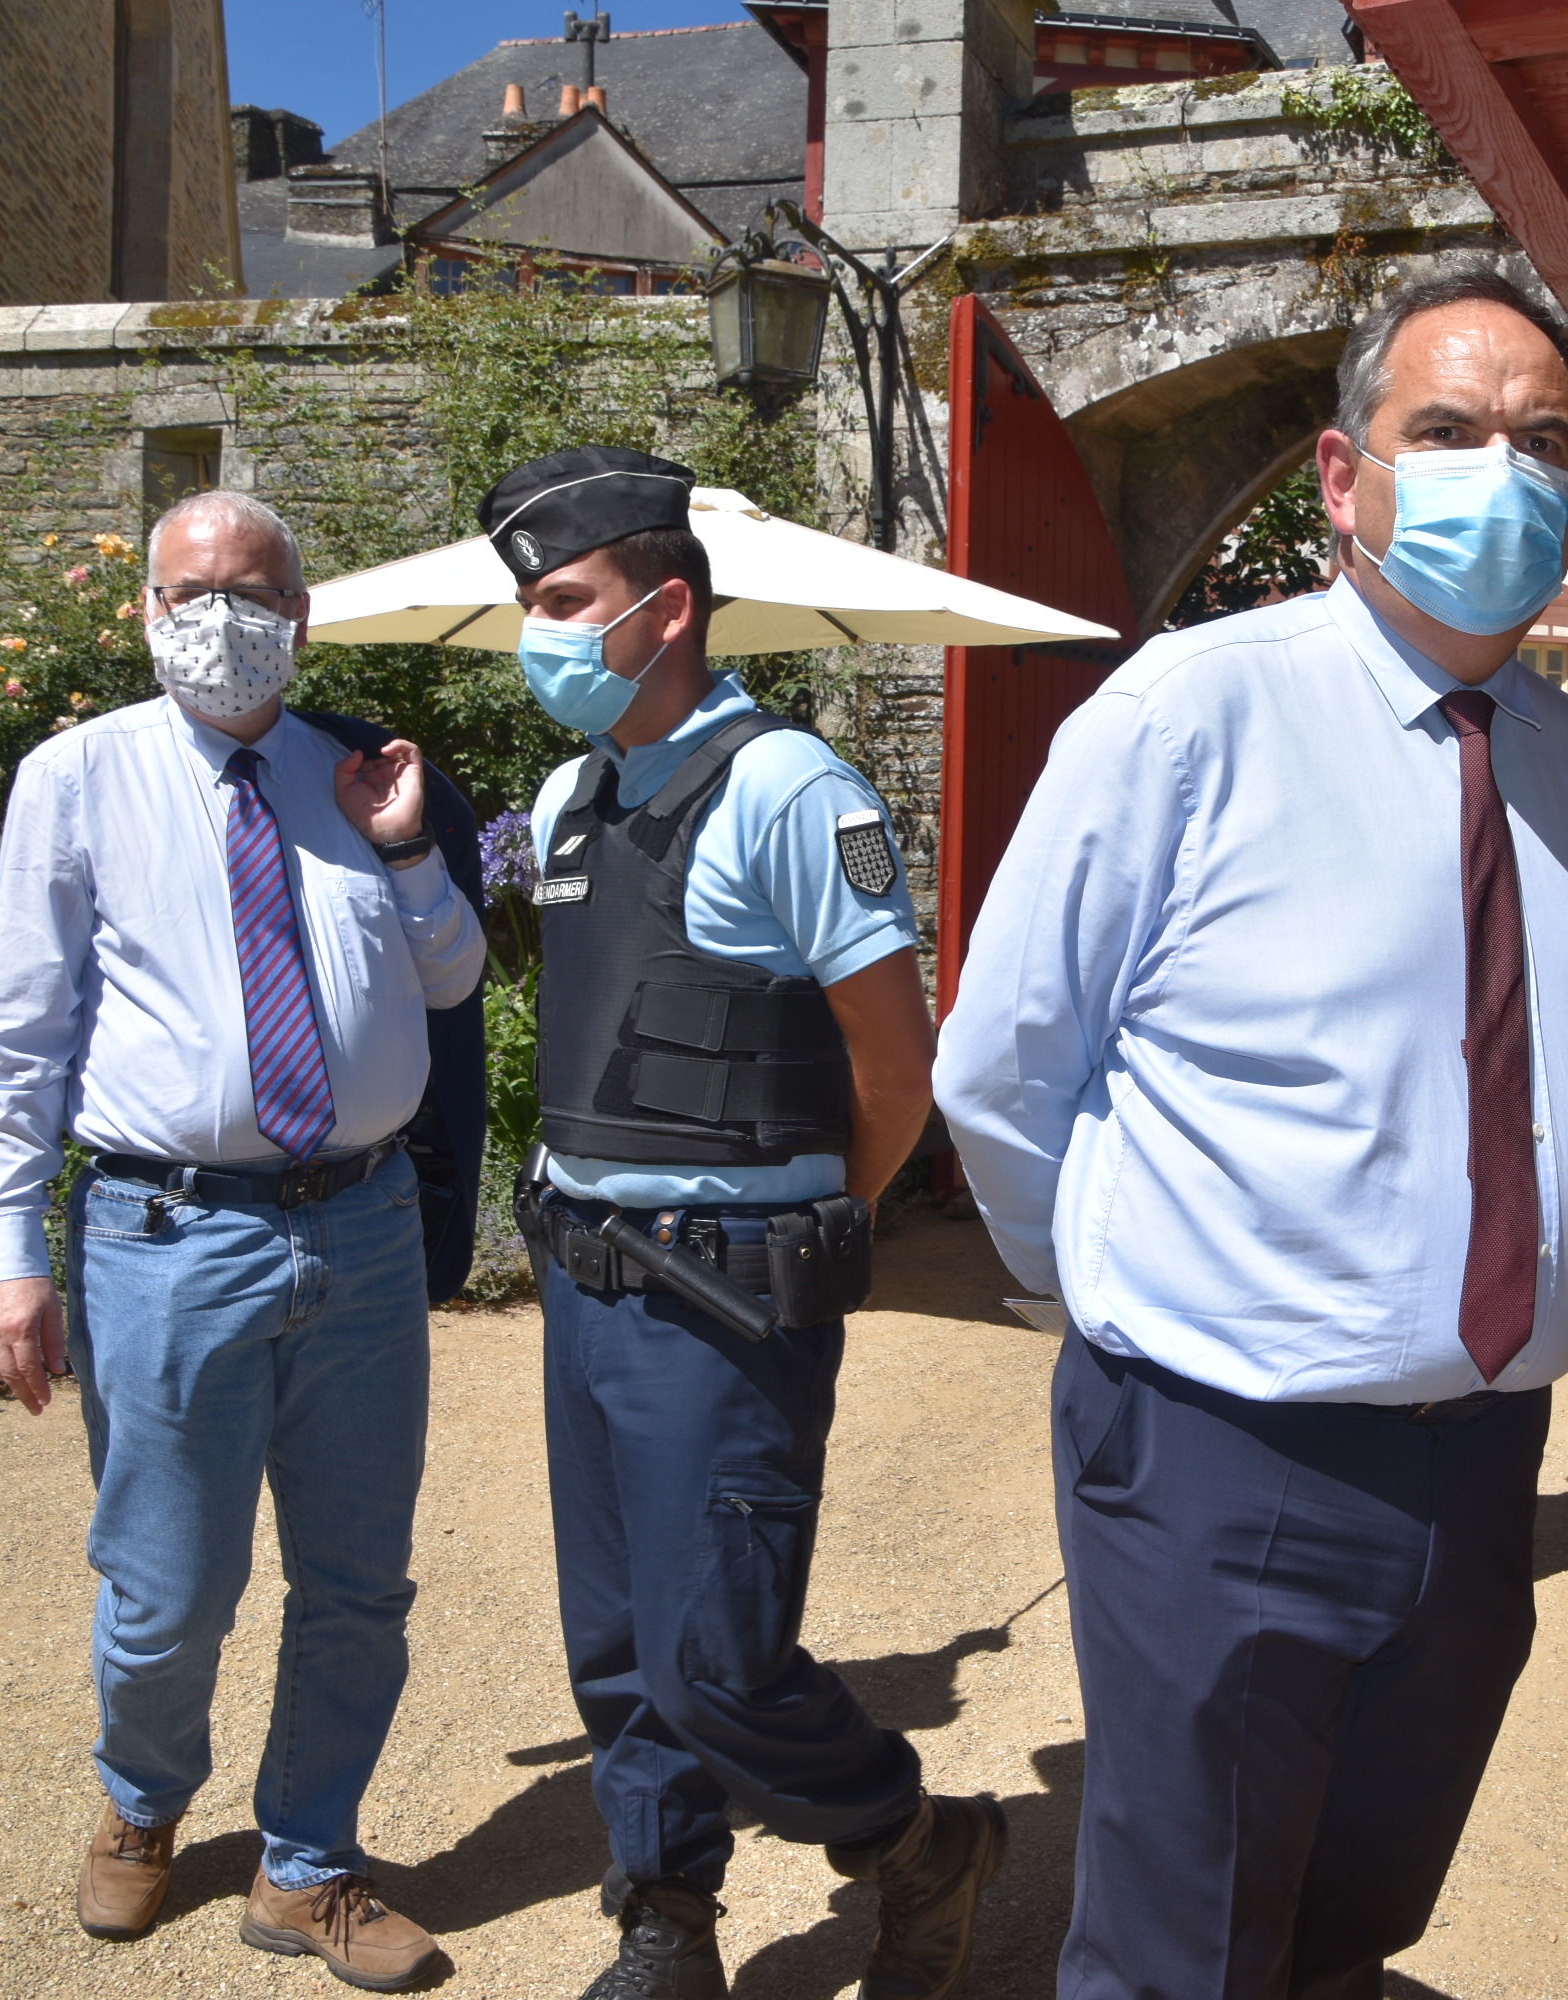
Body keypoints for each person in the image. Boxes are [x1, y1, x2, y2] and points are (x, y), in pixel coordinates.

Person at [934, 270, 1568, 2000]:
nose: (1501, 473)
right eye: (1446, 431)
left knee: (1354, 1919)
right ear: (1342, 476)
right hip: (1224, 1456)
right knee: (1184, 1950)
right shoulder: (1187, 714)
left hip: (1483, 1463)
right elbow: (1004, 1066)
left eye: (1544, 443)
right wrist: (1126, 1297)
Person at [491, 447, 1001, 2000]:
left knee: (718, 1660)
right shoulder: (571, 797)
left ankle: (917, 1844)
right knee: (619, 1649)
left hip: (724, 1299)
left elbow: (896, 1070)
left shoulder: (796, 792)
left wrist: (814, 1224)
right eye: (527, 605)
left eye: (563, 601)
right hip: (585, 1283)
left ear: (664, 610)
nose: (537, 632)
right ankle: (668, 1915)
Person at [0, 489, 485, 1988]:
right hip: (165, 1235)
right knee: (168, 1583)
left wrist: (406, 851)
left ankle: (306, 1862)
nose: (220, 617)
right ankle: (142, 1800)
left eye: (251, 592)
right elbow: (16, 1033)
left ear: (300, 615)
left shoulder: (360, 775)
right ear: (143, 611)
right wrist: (7, 1254)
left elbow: (452, 982)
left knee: (359, 1580)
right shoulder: (78, 777)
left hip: (363, 1227)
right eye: (189, 592)